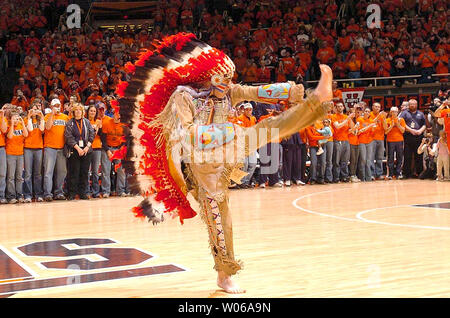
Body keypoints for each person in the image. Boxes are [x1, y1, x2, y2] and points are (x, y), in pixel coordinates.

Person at [114, 33, 333, 294]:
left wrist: (296, 91)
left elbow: (260, 92)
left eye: (230, 78)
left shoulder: (229, 91)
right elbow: (186, 135)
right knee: (220, 221)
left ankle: (316, 100)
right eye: (223, 78)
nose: (228, 83)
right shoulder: (184, 97)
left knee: (270, 127)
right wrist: (227, 132)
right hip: (198, 167)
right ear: (206, 76)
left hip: (226, 153)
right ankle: (224, 275)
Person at [64, 103, 95, 200]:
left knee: (84, 172)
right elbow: (68, 137)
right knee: (74, 172)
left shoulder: (86, 122)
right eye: (76, 110)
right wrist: (78, 148)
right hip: (74, 150)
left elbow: (92, 134)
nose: (78, 111)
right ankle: (72, 193)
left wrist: (86, 147)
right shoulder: (70, 123)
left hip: (86, 150)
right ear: (73, 112)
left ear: (82, 112)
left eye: (79, 110)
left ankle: (83, 193)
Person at [43, 98, 69, 201]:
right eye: (55, 106)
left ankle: (59, 192)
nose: (57, 107)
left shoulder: (65, 117)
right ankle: (47, 194)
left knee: (62, 171)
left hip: (61, 148)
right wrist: (52, 115)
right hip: (50, 147)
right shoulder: (47, 116)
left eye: (58, 105)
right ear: (51, 107)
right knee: (48, 172)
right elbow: (48, 127)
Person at [100, 108, 128, 197]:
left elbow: (125, 140)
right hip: (107, 148)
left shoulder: (124, 125)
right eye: (117, 113)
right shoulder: (106, 123)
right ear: (114, 113)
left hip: (119, 149)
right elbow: (103, 139)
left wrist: (119, 150)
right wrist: (108, 151)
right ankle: (105, 191)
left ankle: (121, 191)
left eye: (120, 114)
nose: (119, 115)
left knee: (121, 171)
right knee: (106, 171)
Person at [399, 99, 426, 179]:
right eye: (411, 104)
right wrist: (411, 130)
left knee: (419, 155)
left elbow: (424, 125)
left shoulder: (420, 114)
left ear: (417, 105)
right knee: (407, 156)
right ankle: (406, 174)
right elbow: (401, 123)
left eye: (414, 104)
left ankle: (419, 173)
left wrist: (420, 131)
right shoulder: (404, 113)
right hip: (408, 137)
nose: (412, 105)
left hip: (418, 137)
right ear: (409, 105)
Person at [23, 104, 45, 203]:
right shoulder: (25, 119)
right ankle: (28, 195)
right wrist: (29, 117)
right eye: (33, 110)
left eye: (36, 110)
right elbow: (30, 129)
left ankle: (38, 194)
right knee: (28, 173)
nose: (34, 112)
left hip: (39, 148)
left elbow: (42, 129)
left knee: (38, 174)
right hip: (28, 148)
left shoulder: (40, 120)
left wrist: (42, 117)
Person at [6, 111, 28, 203]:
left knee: (19, 176)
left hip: (20, 154)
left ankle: (19, 195)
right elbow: (10, 136)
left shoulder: (20, 125)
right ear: (11, 118)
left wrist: (22, 123)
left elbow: (26, 134)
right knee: (11, 176)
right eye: (14, 118)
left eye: (17, 118)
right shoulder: (8, 126)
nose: (16, 120)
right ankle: (11, 196)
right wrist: (11, 124)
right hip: (10, 153)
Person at [331, 102, 354, 182]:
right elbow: (337, 126)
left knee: (345, 160)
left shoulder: (346, 117)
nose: (340, 108)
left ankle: (344, 176)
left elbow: (352, 128)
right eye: (338, 106)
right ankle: (336, 177)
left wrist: (351, 121)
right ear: (336, 108)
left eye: (341, 106)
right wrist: (347, 119)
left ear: (343, 108)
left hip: (346, 140)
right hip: (337, 140)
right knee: (336, 161)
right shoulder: (334, 116)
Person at [385, 107, 406, 180]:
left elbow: (403, 131)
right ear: (390, 112)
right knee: (390, 157)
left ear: (398, 112)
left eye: (396, 111)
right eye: (393, 111)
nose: (394, 113)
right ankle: (390, 174)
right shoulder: (387, 120)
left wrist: (397, 124)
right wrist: (391, 126)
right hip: (390, 140)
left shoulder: (401, 120)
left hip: (399, 140)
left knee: (399, 157)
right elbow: (386, 132)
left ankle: (398, 173)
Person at [87, 104, 103, 198]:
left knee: (95, 172)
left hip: (97, 147)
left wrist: (99, 128)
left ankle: (96, 192)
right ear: (88, 112)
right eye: (91, 110)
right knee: (87, 171)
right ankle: (87, 191)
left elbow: (100, 134)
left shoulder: (98, 121)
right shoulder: (85, 121)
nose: (92, 112)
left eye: (94, 111)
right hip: (87, 148)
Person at [356, 107, 376, 181]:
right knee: (363, 159)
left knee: (368, 160)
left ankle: (368, 177)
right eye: (366, 111)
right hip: (361, 141)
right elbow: (360, 131)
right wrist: (369, 126)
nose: (367, 113)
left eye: (368, 111)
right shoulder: (359, 119)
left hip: (369, 141)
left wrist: (373, 128)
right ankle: (362, 177)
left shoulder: (371, 121)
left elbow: (372, 132)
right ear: (363, 112)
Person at [369, 103, 387, 180]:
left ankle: (379, 174)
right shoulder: (369, 114)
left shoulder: (382, 116)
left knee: (379, 157)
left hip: (381, 138)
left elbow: (386, 128)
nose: (377, 108)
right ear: (372, 107)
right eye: (375, 106)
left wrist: (383, 119)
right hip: (371, 139)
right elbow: (370, 123)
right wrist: (378, 117)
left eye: (379, 107)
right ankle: (372, 174)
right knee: (371, 157)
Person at [0, 106, 8, 204]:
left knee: (2, 174)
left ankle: (1, 196)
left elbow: (4, 130)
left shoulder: (2, 118)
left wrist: (2, 116)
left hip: (1, 147)